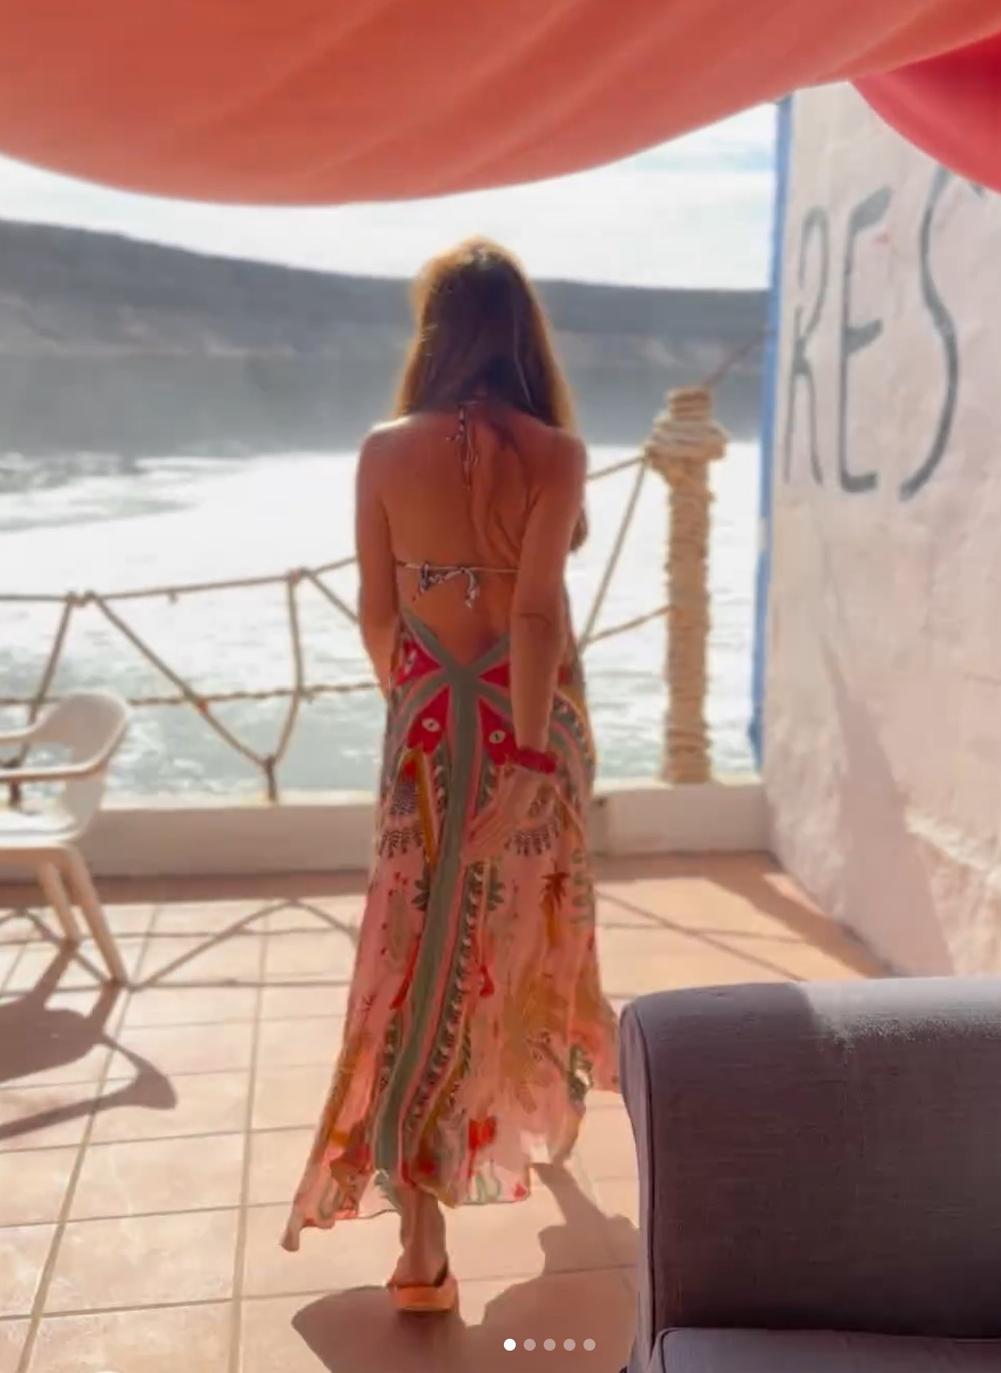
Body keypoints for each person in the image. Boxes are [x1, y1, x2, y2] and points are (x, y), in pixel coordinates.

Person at [281, 237, 620, 1312]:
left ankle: (419, 1243)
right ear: (523, 335)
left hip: (425, 727)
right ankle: (547, 1092)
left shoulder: (384, 450)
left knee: (412, 949)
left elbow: (379, 614)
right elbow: (535, 615)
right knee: (529, 923)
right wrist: (524, 753)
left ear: (433, 335)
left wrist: (426, 710)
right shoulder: (556, 453)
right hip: (532, 725)